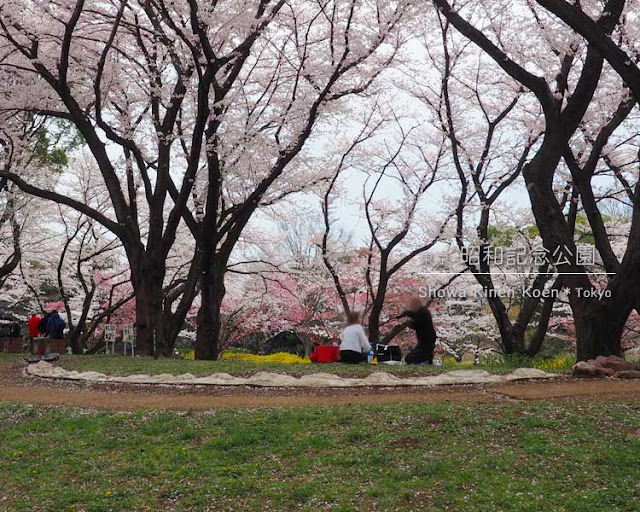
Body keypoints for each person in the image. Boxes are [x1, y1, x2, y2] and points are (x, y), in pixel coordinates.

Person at [397, 297, 437, 365]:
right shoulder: (421, 311)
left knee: (409, 359)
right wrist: (401, 316)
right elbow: (411, 314)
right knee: (418, 354)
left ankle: (426, 358)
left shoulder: (423, 312)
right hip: (425, 339)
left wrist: (409, 323)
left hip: (427, 338)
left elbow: (418, 324)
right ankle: (428, 358)